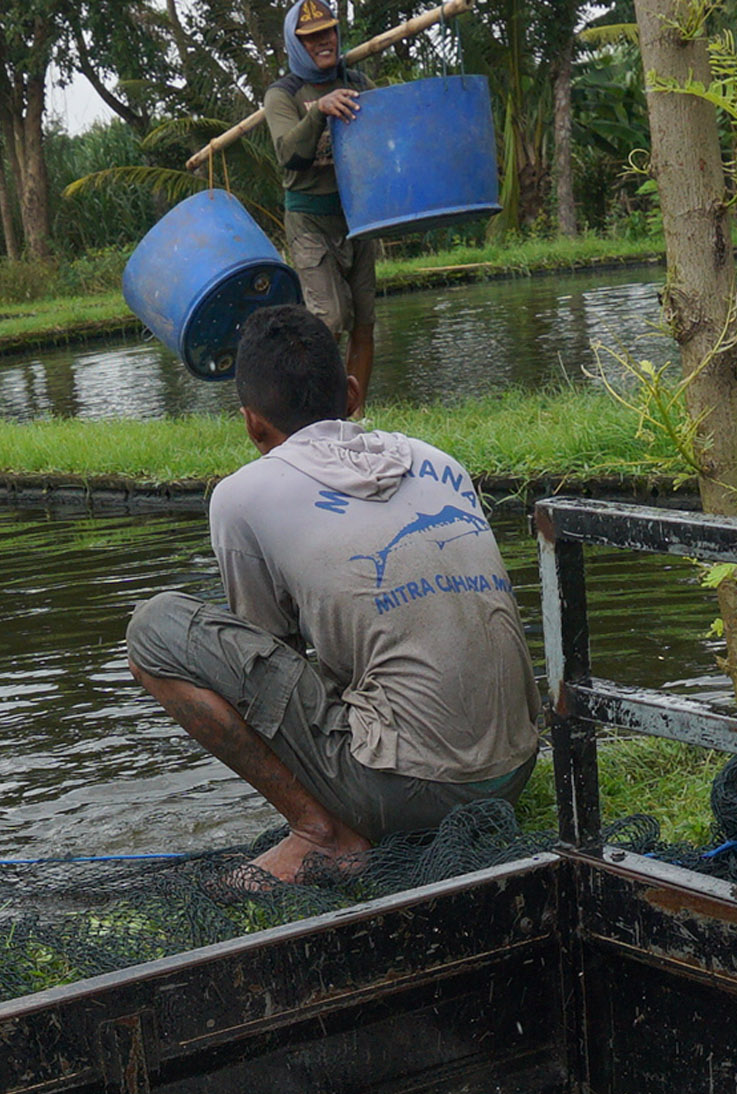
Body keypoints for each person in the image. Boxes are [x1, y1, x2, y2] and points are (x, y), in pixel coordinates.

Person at [125, 304, 537, 885]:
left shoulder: (243, 495)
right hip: (514, 771)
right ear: (351, 394)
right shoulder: (440, 461)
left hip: (407, 795)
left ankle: (320, 833)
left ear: (252, 424)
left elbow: (269, 660)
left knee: (153, 630)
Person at [261, 0, 379, 404]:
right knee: (329, 319)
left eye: (327, 32)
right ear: (297, 45)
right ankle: (316, 411)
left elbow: (385, 136)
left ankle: (354, 414)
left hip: (357, 216)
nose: (322, 42)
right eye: (310, 38)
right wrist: (318, 114)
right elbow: (288, 154)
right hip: (310, 220)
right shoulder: (283, 95)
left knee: (364, 319)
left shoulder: (357, 80)